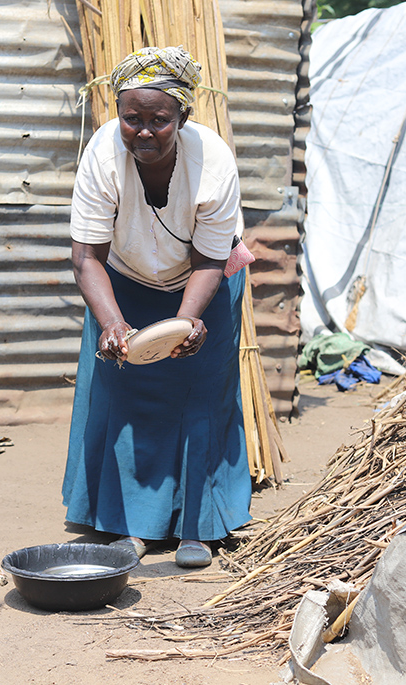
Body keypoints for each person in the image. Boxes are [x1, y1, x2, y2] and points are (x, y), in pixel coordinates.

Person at [61, 46, 251, 568]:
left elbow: (212, 260)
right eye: (132, 118)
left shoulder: (213, 165)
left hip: (202, 280)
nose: (143, 131)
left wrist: (188, 320)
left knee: (201, 393)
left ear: (183, 118)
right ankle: (126, 527)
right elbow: (85, 257)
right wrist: (113, 322)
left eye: (159, 120)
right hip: (119, 278)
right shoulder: (102, 155)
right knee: (122, 390)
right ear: (118, 115)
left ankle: (198, 529)